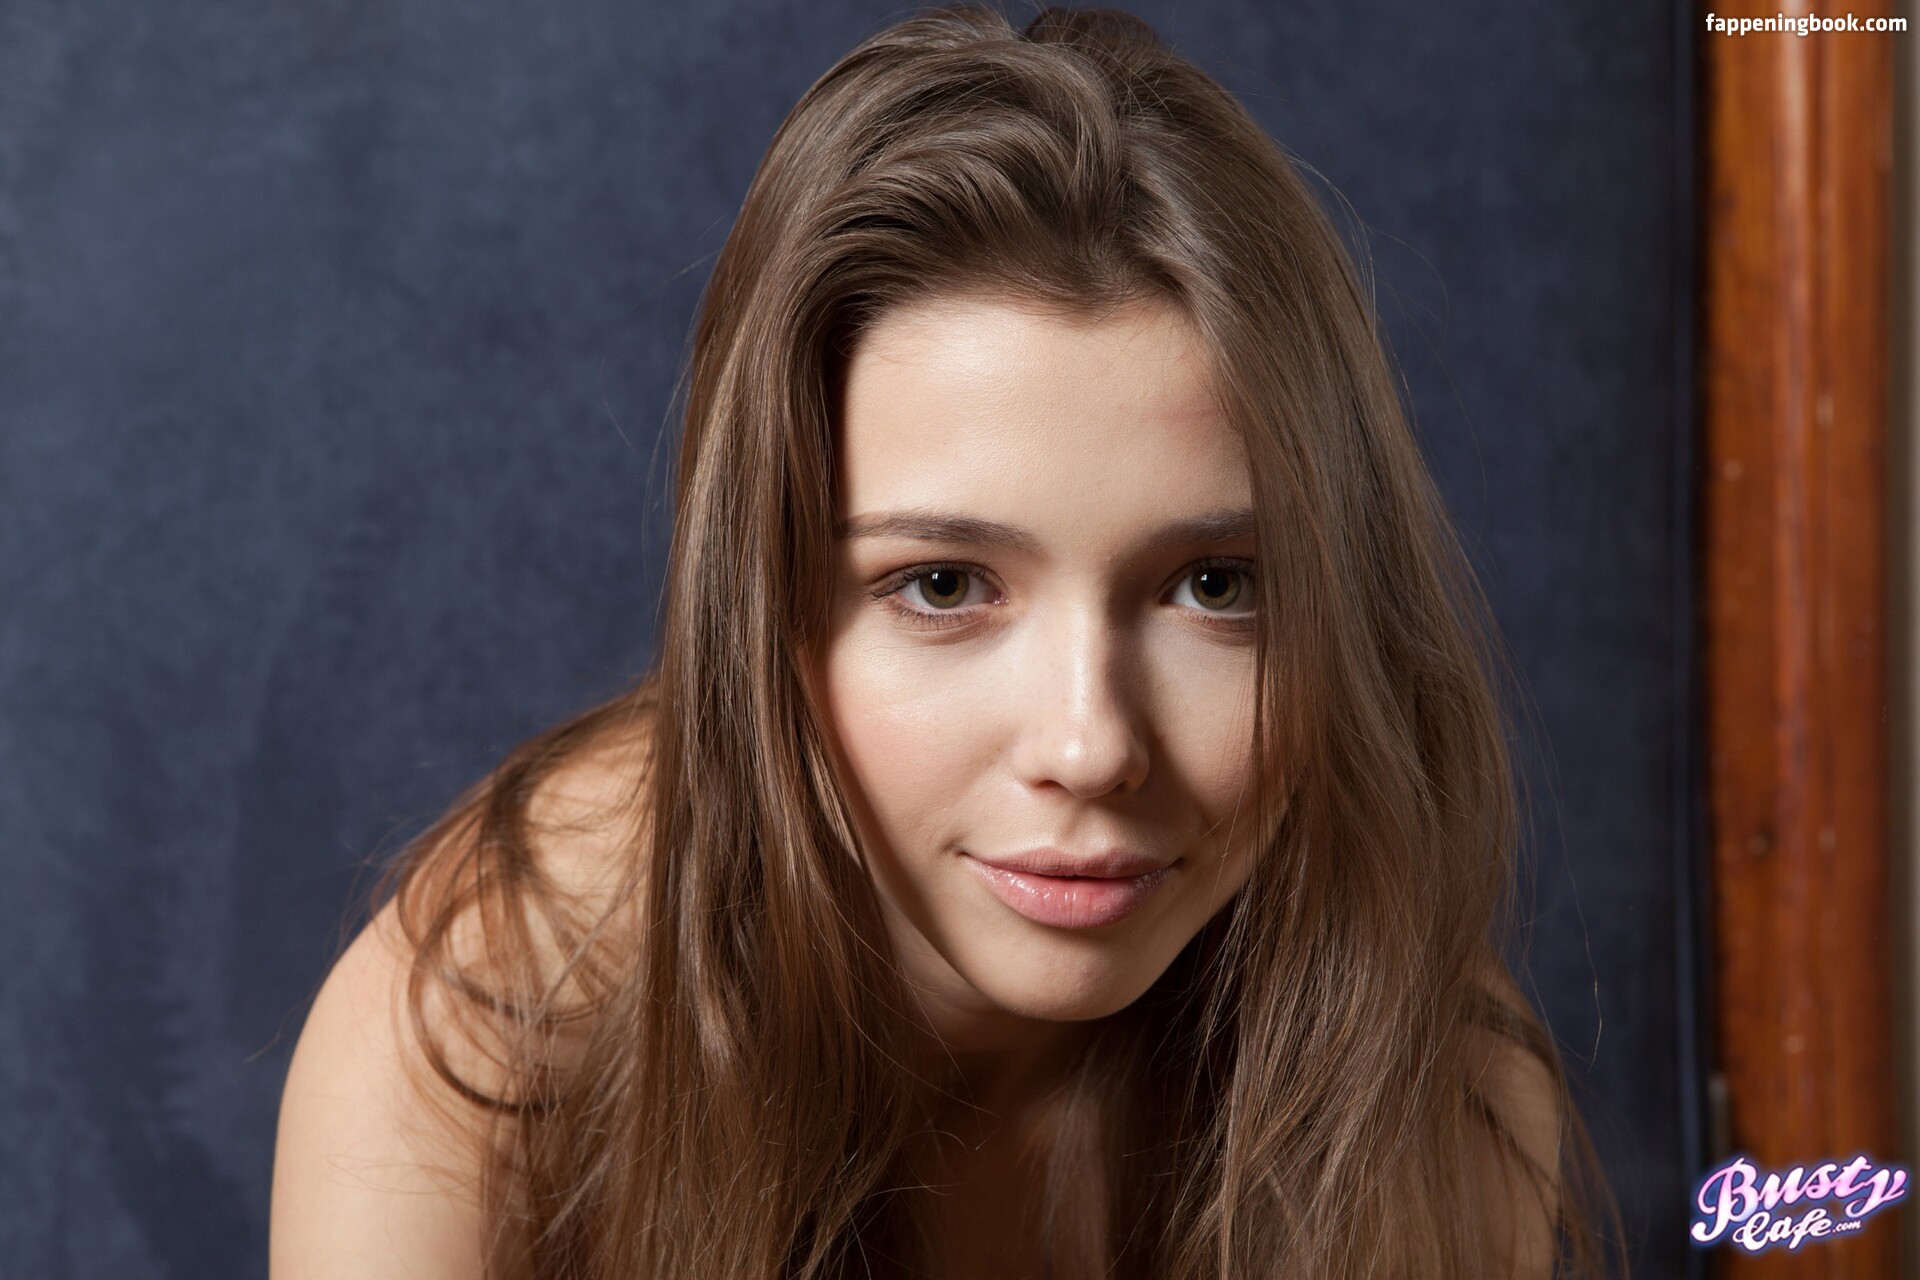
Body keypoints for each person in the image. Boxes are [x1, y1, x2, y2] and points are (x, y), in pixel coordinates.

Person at [269, 6, 1627, 1277]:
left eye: (1216, 587)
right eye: (941, 585)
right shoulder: (487, 1037)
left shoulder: (1430, 1094)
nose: (1089, 745)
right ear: (767, 617)